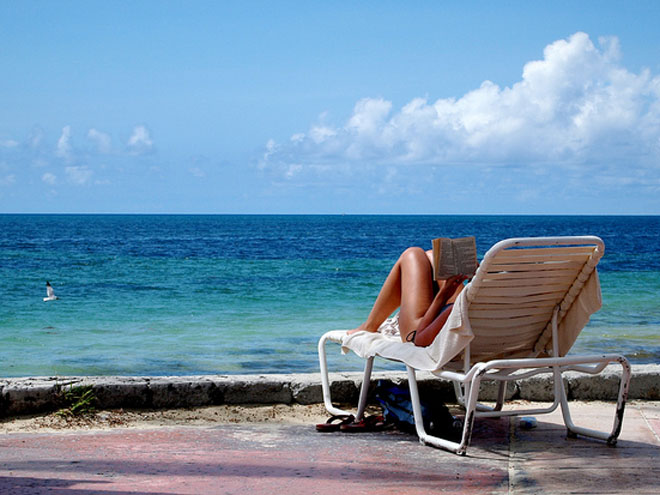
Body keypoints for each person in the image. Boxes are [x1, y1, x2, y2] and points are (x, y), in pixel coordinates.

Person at [348, 247, 467, 347]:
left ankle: (370, 326)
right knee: (433, 256)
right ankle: (370, 325)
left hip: (425, 334)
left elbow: (420, 338)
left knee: (412, 254)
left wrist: (443, 294)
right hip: (467, 318)